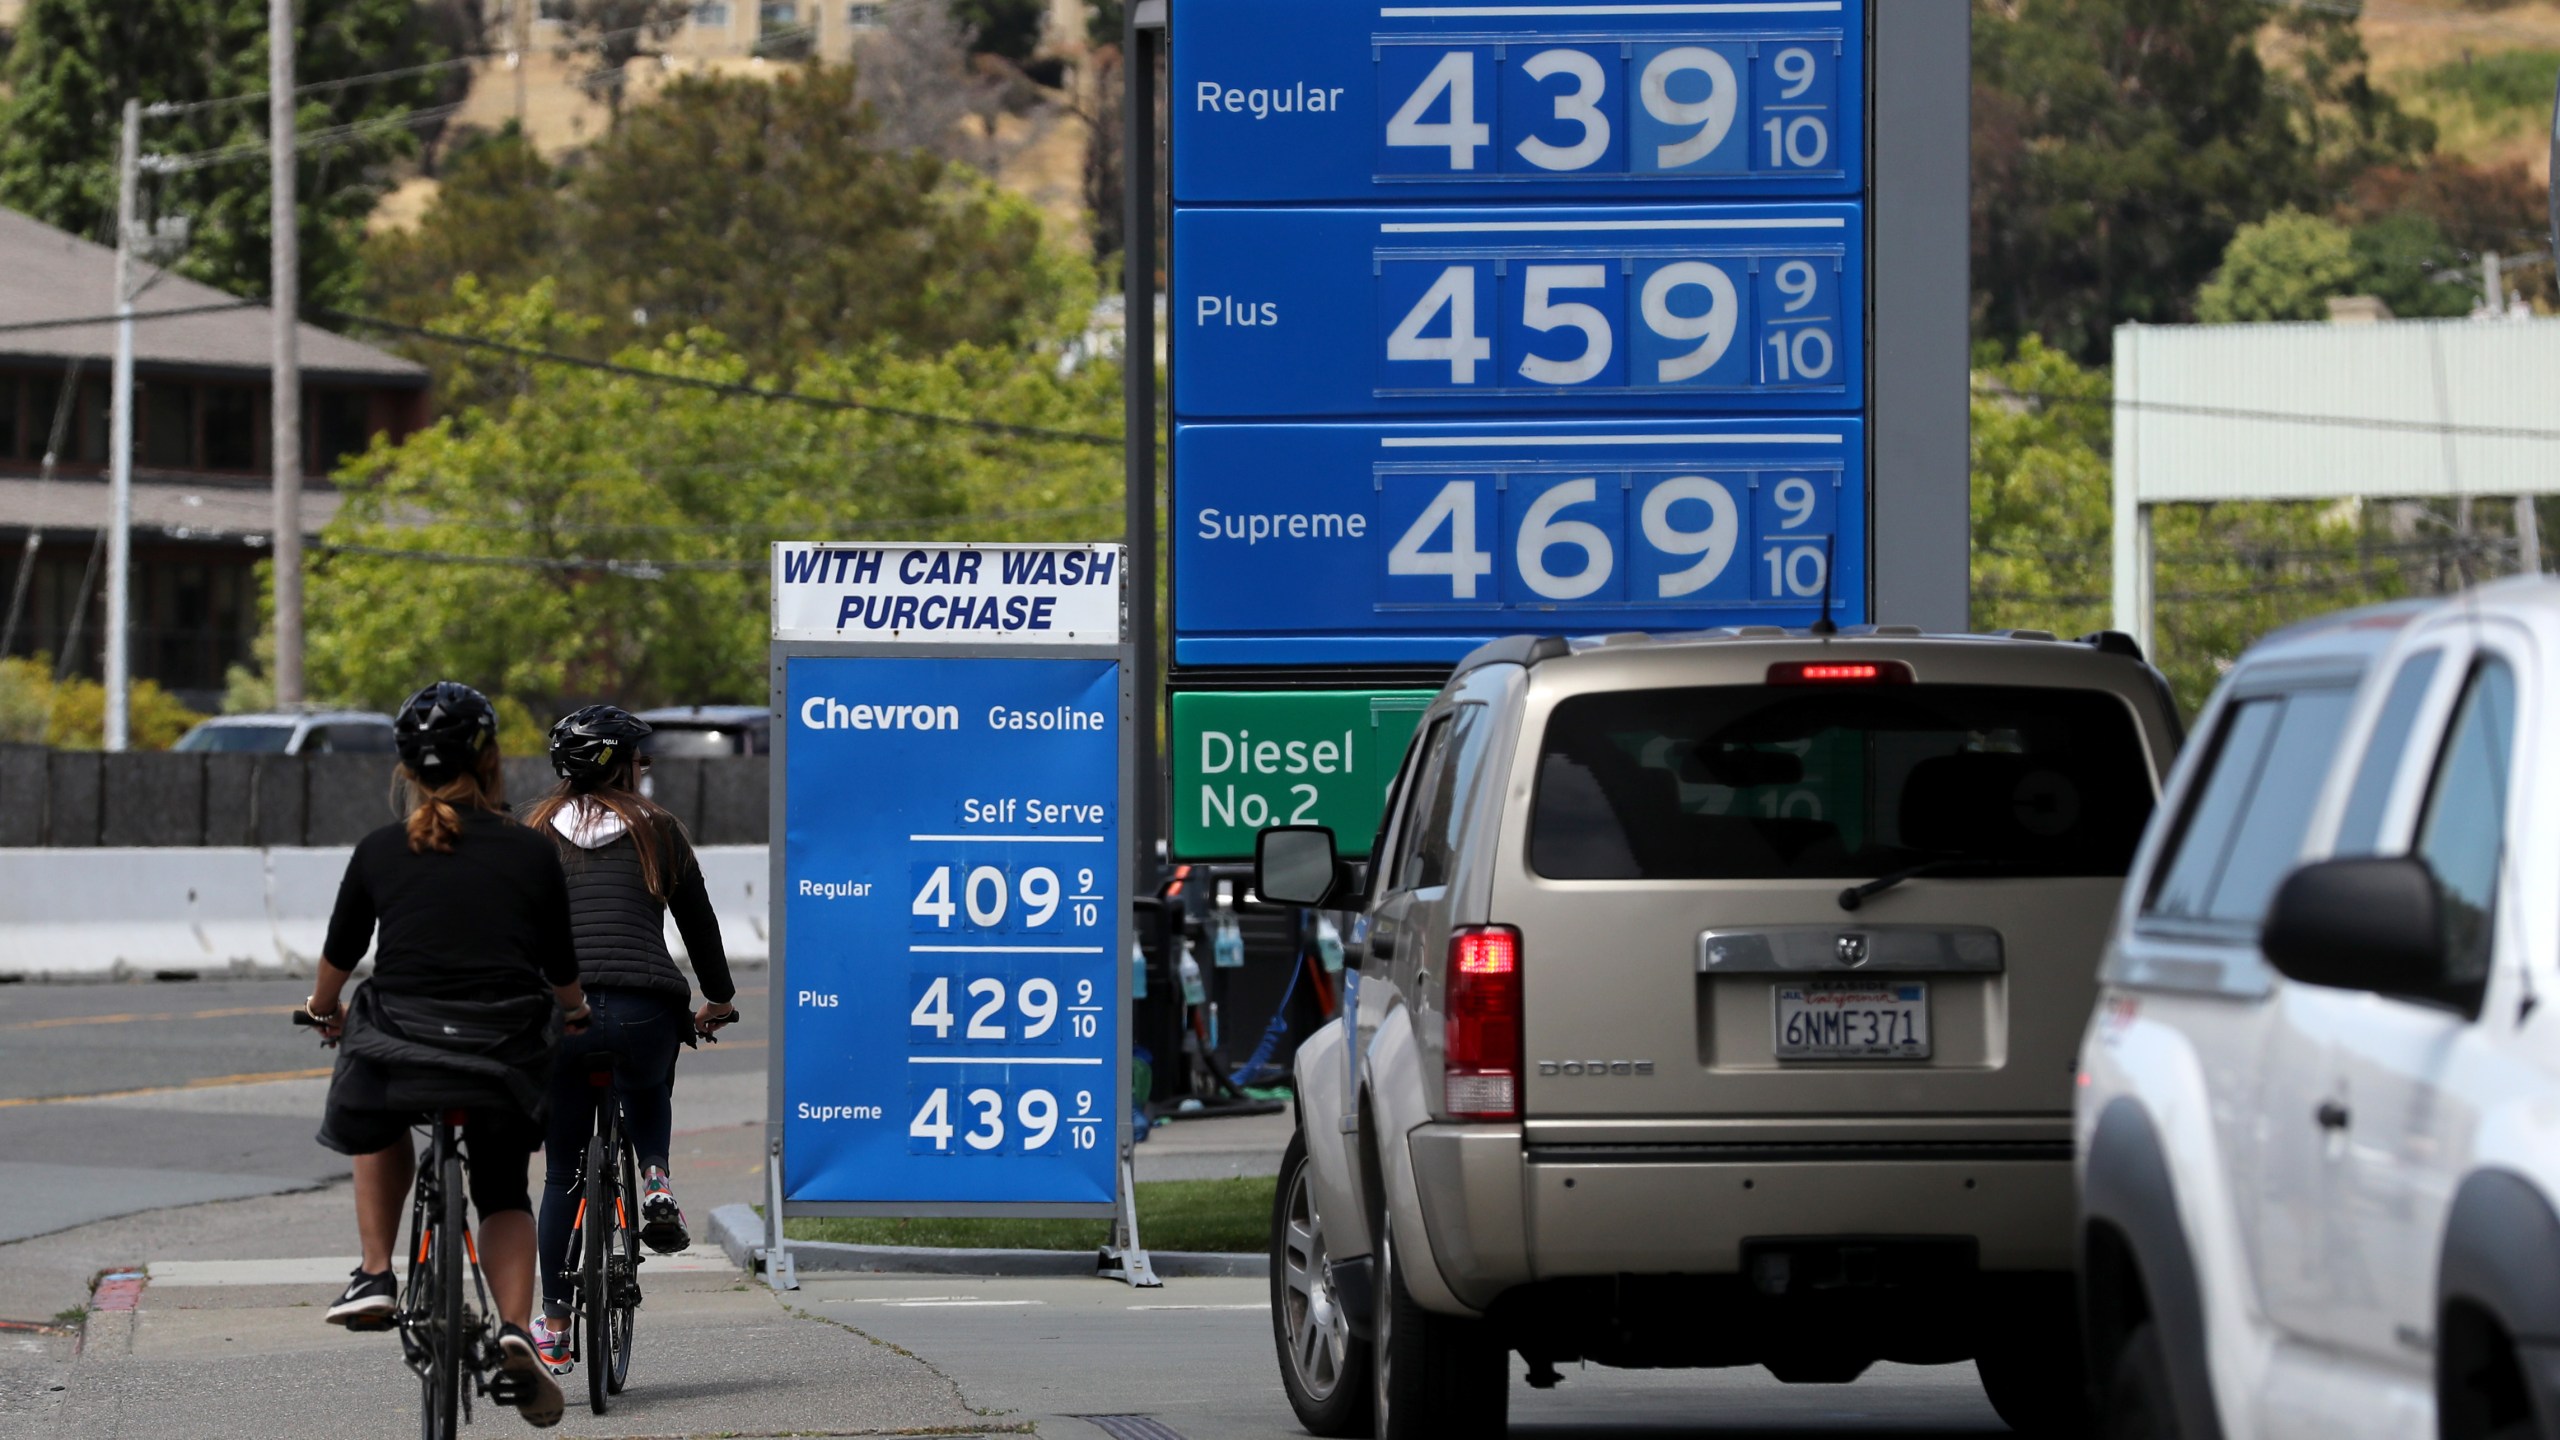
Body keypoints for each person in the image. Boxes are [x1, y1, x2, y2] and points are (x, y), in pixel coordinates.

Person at [304, 681, 588, 1430]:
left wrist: (322, 1010)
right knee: (503, 1190)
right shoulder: (530, 851)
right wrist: (577, 1011)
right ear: (491, 758)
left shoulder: (379, 850)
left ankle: (373, 1273)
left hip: (405, 1048)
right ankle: (517, 1331)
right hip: (502, 1054)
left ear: (405, 767)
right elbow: (560, 965)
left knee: (378, 1107)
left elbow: (340, 954)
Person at [523, 704, 738, 1374]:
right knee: (652, 1069)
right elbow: (698, 925)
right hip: (645, 1007)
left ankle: (555, 1323)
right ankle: (656, 1179)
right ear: (622, 763)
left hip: (562, 1017)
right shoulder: (658, 829)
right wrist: (719, 999)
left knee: (562, 1172)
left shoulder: (530, 832)